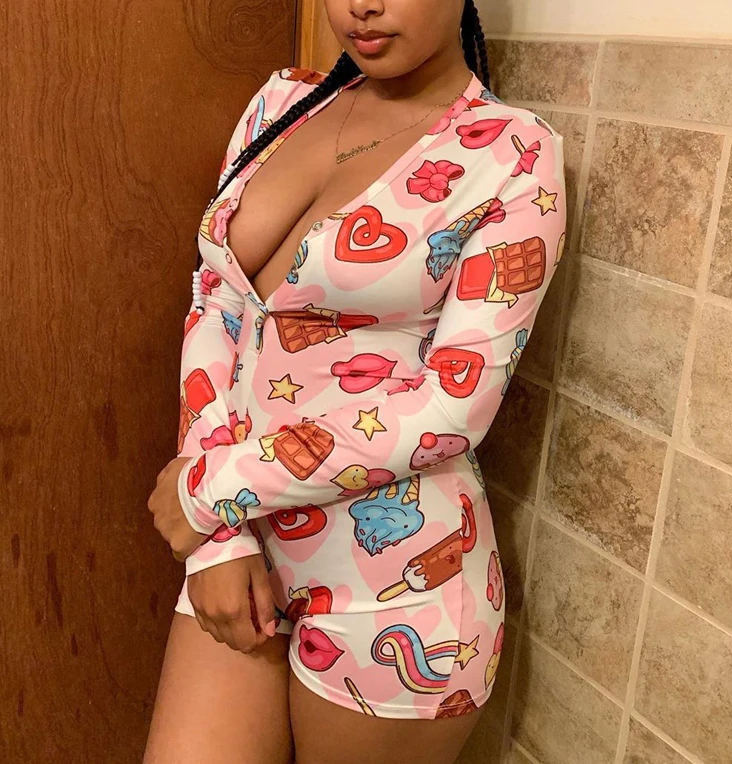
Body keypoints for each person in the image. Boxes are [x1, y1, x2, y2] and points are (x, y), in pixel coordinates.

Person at [144, 0, 566, 761]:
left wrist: (208, 493)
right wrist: (216, 541)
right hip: (243, 550)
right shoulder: (282, 103)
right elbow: (217, 300)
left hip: (397, 592)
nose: (359, 5)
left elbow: (453, 405)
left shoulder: (514, 153)